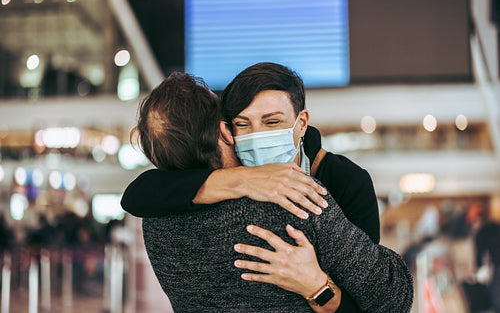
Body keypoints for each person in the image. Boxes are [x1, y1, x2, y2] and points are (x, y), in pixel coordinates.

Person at [134, 71, 413, 312]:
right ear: (226, 131)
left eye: (271, 122)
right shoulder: (299, 200)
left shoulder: (156, 222)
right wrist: (319, 287)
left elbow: (138, 193)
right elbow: (391, 298)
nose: (256, 136)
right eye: (242, 124)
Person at [468, 202, 500, 313]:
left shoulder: (480, 232)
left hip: (498, 263)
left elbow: (479, 254)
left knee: (496, 290)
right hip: (497, 262)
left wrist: (477, 270)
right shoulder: (495, 225)